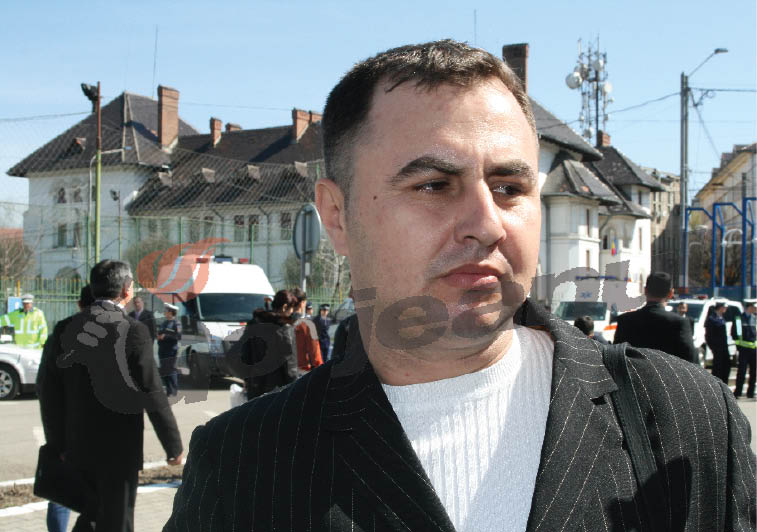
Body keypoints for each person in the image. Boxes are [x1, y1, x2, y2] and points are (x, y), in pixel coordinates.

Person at [165, 40, 755, 531]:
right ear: (337, 216)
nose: (487, 224)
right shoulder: (245, 464)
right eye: (433, 185)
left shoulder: (682, 420)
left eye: (509, 188)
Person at [38, 259, 183, 531]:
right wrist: (173, 446)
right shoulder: (134, 331)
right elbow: (151, 391)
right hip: (120, 451)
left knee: (90, 517)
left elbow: (48, 391)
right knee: (117, 521)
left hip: (76, 447)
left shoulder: (64, 329)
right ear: (126, 290)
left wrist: (57, 444)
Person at [38, 284, 95, 532]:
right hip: (99, 438)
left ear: (79, 304)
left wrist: (56, 441)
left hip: (66, 434)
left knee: (61, 495)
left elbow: (44, 389)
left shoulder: (59, 335)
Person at [613, 272, 698, 363]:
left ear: (645, 290)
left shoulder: (625, 321)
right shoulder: (679, 323)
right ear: (671, 293)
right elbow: (691, 361)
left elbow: (615, 358)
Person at [236, 289, 299, 399]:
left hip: (255, 386)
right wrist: (295, 386)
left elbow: (244, 354)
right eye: (291, 309)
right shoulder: (284, 328)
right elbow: (290, 364)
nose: (292, 312)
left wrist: (247, 380)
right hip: (277, 390)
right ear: (285, 307)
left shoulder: (253, 324)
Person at [291, 289, 323, 374]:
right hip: (302, 373)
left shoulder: (280, 323)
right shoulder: (307, 325)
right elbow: (315, 355)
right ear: (302, 303)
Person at [732, 302, 756, 398]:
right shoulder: (739, 319)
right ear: (749, 307)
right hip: (743, 350)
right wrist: (739, 346)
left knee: (754, 372)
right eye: (754, 307)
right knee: (741, 372)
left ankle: (750, 393)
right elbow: (735, 334)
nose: (755, 309)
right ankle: (738, 392)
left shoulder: (755, 318)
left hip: (754, 350)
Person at [157, 303, 182, 396]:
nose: (165, 312)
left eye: (166, 311)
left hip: (171, 350)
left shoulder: (176, 323)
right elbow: (160, 333)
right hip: (162, 349)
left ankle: (174, 390)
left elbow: (178, 336)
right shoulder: (164, 323)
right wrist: (158, 336)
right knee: (164, 370)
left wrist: (166, 336)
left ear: (171, 312)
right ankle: (168, 390)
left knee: (170, 370)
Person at [706, 302, 731, 383]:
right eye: (724, 307)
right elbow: (708, 336)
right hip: (717, 348)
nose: (725, 309)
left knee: (726, 366)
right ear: (720, 307)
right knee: (717, 368)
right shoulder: (712, 319)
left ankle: (724, 385)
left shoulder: (722, 318)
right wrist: (713, 348)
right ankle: (716, 385)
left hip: (724, 347)